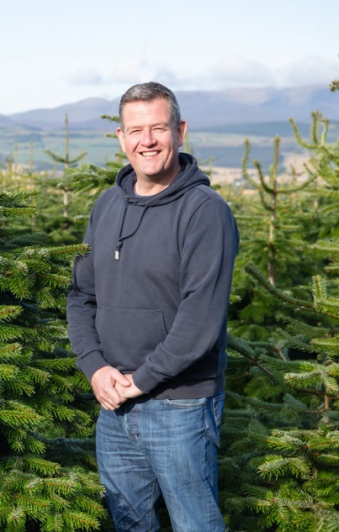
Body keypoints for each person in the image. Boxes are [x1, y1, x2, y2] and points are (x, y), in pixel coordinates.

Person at [66, 82, 239, 531]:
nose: (147, 140)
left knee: (195, 524)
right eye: (135, 130)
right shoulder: (106, 205)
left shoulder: (205, 211)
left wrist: (140, 381)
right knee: (130, 524)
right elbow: (81, 295)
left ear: (179, 131)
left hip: (180, 405)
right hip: (113, 402)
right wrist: (94, 367)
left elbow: (199, 321)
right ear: (121, 138)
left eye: (158, 128)